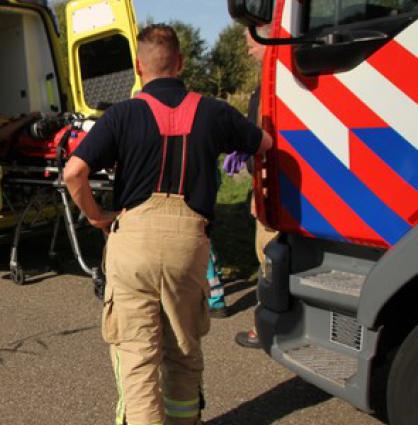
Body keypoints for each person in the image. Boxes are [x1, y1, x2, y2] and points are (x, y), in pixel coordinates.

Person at [63, 24, 272, 425]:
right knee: (183, 351)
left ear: (138, 66)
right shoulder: (214, 110)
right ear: (180, 62)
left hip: (133, 243)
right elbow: (264, 145)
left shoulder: (121, 114)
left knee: (137, 358)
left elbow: (74, 172)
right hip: (188, 245)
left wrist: (96, 216)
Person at [227, 24, 279, 349]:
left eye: (251, 44)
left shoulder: (274, 85)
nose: (248, 51)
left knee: (269, 254)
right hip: (266, 181)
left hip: (272, 185)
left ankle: (268, 325)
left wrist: (246, 146)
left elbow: (264, 135)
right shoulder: (268, 83)